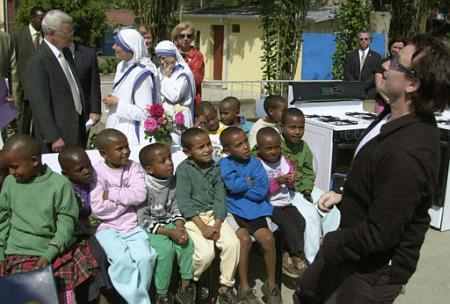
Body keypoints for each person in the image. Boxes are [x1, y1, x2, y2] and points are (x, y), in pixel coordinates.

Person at [296, 34, 450, 304]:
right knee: (306, 295)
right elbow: (383, 187)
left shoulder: (408, 151)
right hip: (352, 246)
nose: (386, 66)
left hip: (372, 271)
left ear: (412, 83)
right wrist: (345, 195)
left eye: (396, 63)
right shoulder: (392, 115)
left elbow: (382, 233)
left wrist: (331, 243)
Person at [0, 134, 97, 303]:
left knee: (62, 290)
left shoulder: (60, 185)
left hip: (54, 249)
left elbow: (66, 224)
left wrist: (49, 253)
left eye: (15, 167)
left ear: (34, 161)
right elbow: (2, 220)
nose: (11, 172)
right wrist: (0, 254)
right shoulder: (10, 183)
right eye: (9, 168)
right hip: (17, 253)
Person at [176, 128, 241, 304]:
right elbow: (184, 203)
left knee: (232, 244)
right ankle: (189, 283)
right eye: (200, 147)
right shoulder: (183, 170)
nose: (207, 150)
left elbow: (220, 198)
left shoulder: (215, 167)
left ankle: (225, 287)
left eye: (208, 145)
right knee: (205, 254)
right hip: (193, 219)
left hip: (214, 216)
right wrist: (203, 227)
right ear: (187, 152)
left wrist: (217, 224)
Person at [90, 129, 156, 304]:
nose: (126, 151)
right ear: (103, 153)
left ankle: (134, 299)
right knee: (121, 261)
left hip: (133, 225)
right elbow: (99, 209)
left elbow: (140, 195)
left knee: (146, 258)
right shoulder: (97, 172)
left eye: (126, 146)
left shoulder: (133, 167)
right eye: (119, 148)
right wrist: (127, 200)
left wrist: (111, 193)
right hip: (107, 228)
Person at [219, 127, 282, 304]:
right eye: (238, 145)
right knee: (244, 241)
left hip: (257, 209)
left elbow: (261, 190)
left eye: (245, 141)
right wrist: (248, 183)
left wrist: (242, 187)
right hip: (235, 211)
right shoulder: (224, 164)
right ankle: (244, 287)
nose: (245, 147)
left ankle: (270, 285)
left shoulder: (255, 163)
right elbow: (231, 185)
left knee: (268, 239)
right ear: (227, 151)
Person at [280, 108, 340, 264]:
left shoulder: (303, 147)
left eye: (301, 127)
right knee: (311, 216)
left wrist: (307, 190)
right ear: (282, 126)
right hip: (286, 191)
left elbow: (308, 173)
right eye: (292, 127)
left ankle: (332, 251)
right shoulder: (275, 143)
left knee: (331, 208)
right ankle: (313, 260)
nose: (297, 132)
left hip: (303, 188)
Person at [58, 147, 118, 303]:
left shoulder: (95, 181)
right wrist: (88, 229)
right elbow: (67, 219)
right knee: (97, 255)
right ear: (66, 174)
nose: (87, 171)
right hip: (78, 233)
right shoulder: (64, 190)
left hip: (101, 226)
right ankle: (105, 294)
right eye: (80, 170)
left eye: (88, 166)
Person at [138, 143, 196, 304]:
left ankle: (185, 287)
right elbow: (142, 220)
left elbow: (176, 207)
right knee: (165, 252)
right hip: (152, 228)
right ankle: (161, 293)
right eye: (163, 161)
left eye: (169, 158)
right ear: (150, 169)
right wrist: (170, 233)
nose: (170, 162)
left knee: (187, 244)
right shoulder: (144, 186)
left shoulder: (173, 181)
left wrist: (179, 227)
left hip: (170, 223)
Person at [26, 10, 85, 152]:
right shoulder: (38, 61)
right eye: (67, 33)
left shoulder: (66, 54)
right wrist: (53, 136)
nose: (71, 37)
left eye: (72, 32)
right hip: (58, 137)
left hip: (76, 128)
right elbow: (39, 104)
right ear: (51, 33)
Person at [256, 127, 308, 279]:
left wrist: (292, 179)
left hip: (285, 201)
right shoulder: (257, 164)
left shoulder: (283, 161)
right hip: (269, 204)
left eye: (277, 147)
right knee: (287, 224)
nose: (273, 152)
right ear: (259, 149)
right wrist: (277, 181)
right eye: (269, 149)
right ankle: (297, 255)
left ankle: (289, 252)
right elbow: (260, 189)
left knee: (300, 221)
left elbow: (292, 181)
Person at [102, 28, 158, 148]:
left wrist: (118, 103)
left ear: (129, 47)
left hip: (131, 133)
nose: (113, 47)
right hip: (116, 125)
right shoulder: (121, 66)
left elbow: (145, 113)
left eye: (118, 45)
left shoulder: (142, 73)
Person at [12, 6, 46, 135]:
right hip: (24, 94)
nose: (43, 22)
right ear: (32, 18)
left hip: (42, 93)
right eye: (40, 19)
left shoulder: (47, 36)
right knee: (22, 129)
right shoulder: (17, 36)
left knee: (41, 130)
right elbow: (13, 65)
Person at [155, 40, 195, 147]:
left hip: (180, 115)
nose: (162, 62)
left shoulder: (183, 73)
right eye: (159, 58)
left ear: (173, 57)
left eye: (164, 58)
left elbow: (174, 96)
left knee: (179, 146)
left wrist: (165, 78)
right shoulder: (160, 70)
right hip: (165, 115)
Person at [69, 41, 102, 139]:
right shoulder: (52, 54)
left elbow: (94, 84)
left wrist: (95, 110)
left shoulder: (88, 53)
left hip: (82, 112)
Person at [172, 22, 205, 104]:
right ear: (176, 37)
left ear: (193, 38)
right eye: (182, 36)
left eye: (189, 36)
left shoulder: (198, 55)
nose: (186, 38)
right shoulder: (171, 53)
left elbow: (195, 79)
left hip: (192, 100)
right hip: (171, 97)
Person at [343, 31, 381, 99]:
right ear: (358, 40)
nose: (363, 41)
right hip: (352, 92)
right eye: (361, 39)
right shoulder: (350, 55)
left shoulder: (376, 56)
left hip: (369, 93)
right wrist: (355, 85)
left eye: (366, 39)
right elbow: (346, 72)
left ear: (370, 40)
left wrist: (363, 86)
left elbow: (376, 74)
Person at [374, 36, 406, 113]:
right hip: (382, 104)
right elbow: (379, 87)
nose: (397, 50)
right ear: (390, 47)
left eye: (400, 48)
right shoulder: (381, 63)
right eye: (394, 47)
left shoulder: (407, 66)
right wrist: (388, 101)